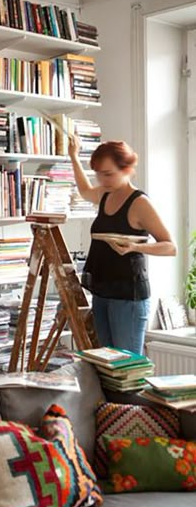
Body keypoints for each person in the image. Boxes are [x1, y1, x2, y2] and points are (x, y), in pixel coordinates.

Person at [68, 136, 177, 354]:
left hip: (129, 295)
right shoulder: (105, 194)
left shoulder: (140, 203)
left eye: (108, 174)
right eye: (98, 174)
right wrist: (73, 156)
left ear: (126, 169)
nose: (102, 180)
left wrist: (135, 247)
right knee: (107, 367)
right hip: (102, 290)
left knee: (126, 366)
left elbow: (170, 247)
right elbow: (85, 191)